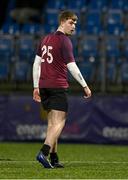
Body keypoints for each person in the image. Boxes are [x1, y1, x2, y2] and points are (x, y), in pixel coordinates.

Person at [33, 10, 91, 169]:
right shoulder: (64, 41)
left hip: (44, 86)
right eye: (71, 23)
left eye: (75, 24)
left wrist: (35, 86)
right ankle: (43, 152)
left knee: (53, 124)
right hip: (57, 86)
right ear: (63, 21)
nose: (74, 27)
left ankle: (54, 158)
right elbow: (71, 66)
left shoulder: (45, 39)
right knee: (60, 122)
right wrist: (85, 86)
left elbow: (36, 64)